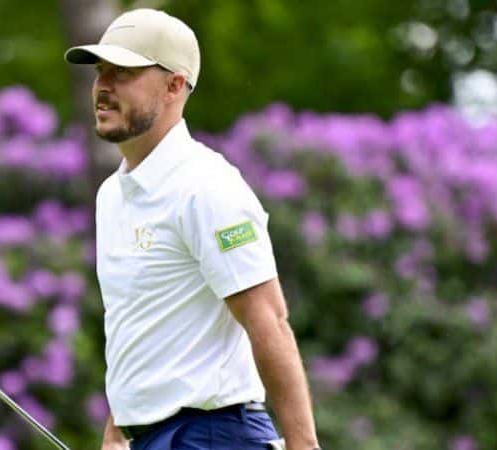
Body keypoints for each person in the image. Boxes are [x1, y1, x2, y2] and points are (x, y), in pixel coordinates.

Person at [64, 8, 321, 450]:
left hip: (215, 435)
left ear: (174, 86)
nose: (103, 86)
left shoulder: (206, 187)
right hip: (153, 437)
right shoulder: (112, 196)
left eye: (123, 72)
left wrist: (304, 446)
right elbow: (142, 326)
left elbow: (269, 320)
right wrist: (118, 430)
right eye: (100, 71)